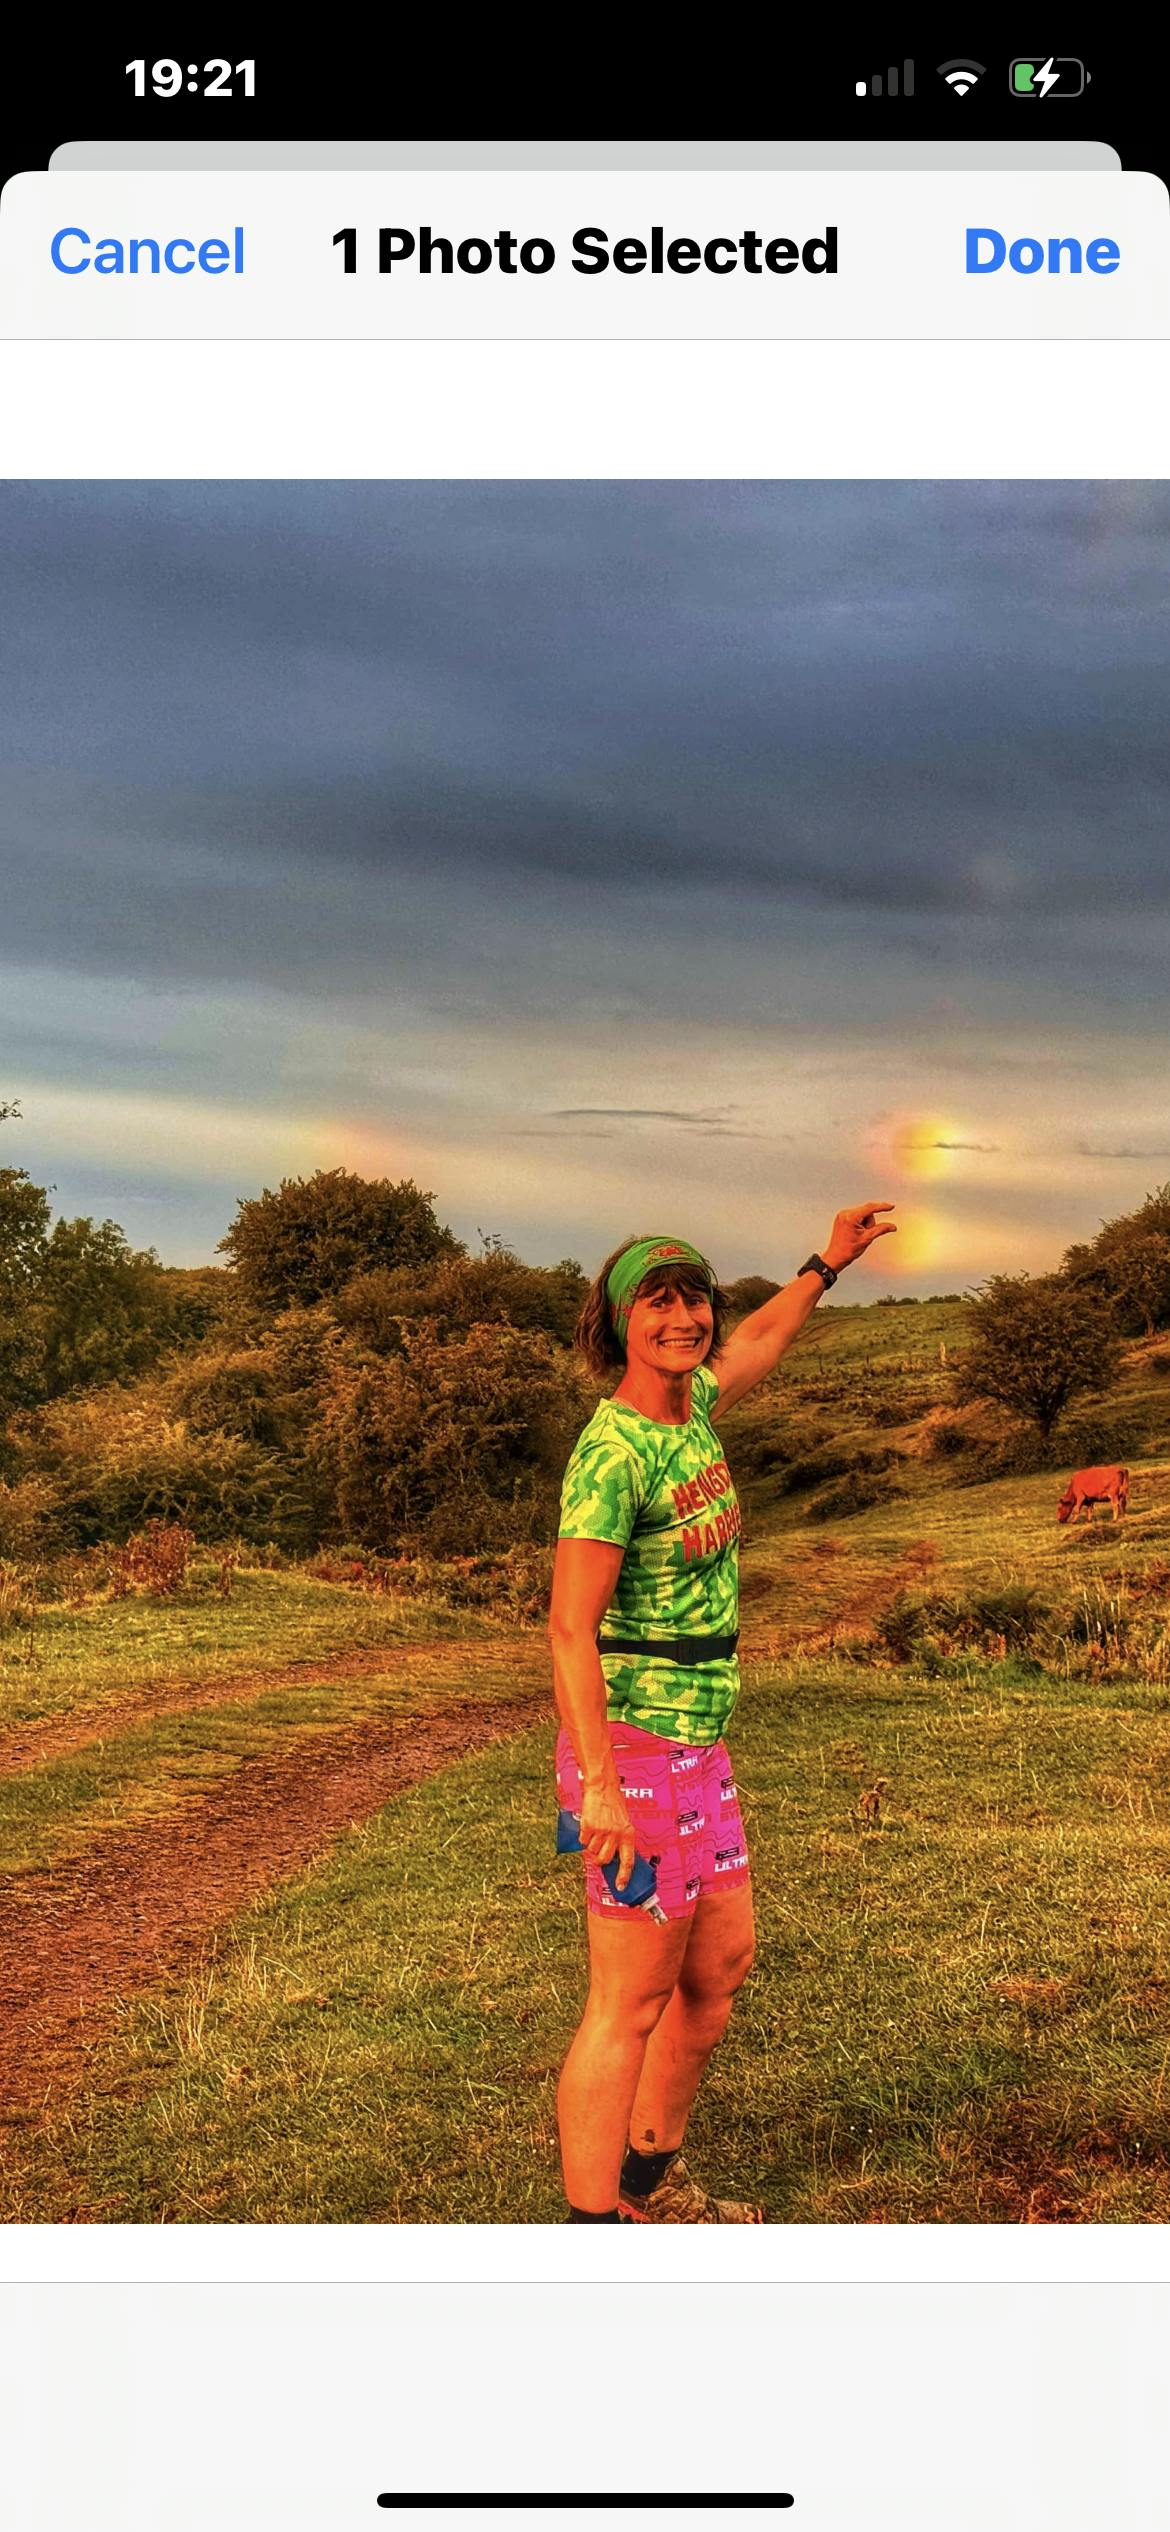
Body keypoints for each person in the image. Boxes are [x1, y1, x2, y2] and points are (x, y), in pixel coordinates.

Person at [549, 1206, 895, 2222]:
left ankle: (648, 2184)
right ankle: (590, 2237)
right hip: (636, 1751)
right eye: (657, 1304)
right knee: (628, 2003)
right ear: (620, 1323)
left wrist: (827, 1262)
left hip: (700, 1745)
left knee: (718, 1971)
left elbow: (762, 1339)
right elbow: (569, 1630)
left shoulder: (693, 1404)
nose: (683, 1318)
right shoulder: (612, 1456)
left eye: (693, 1299)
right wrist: (600, 1787)